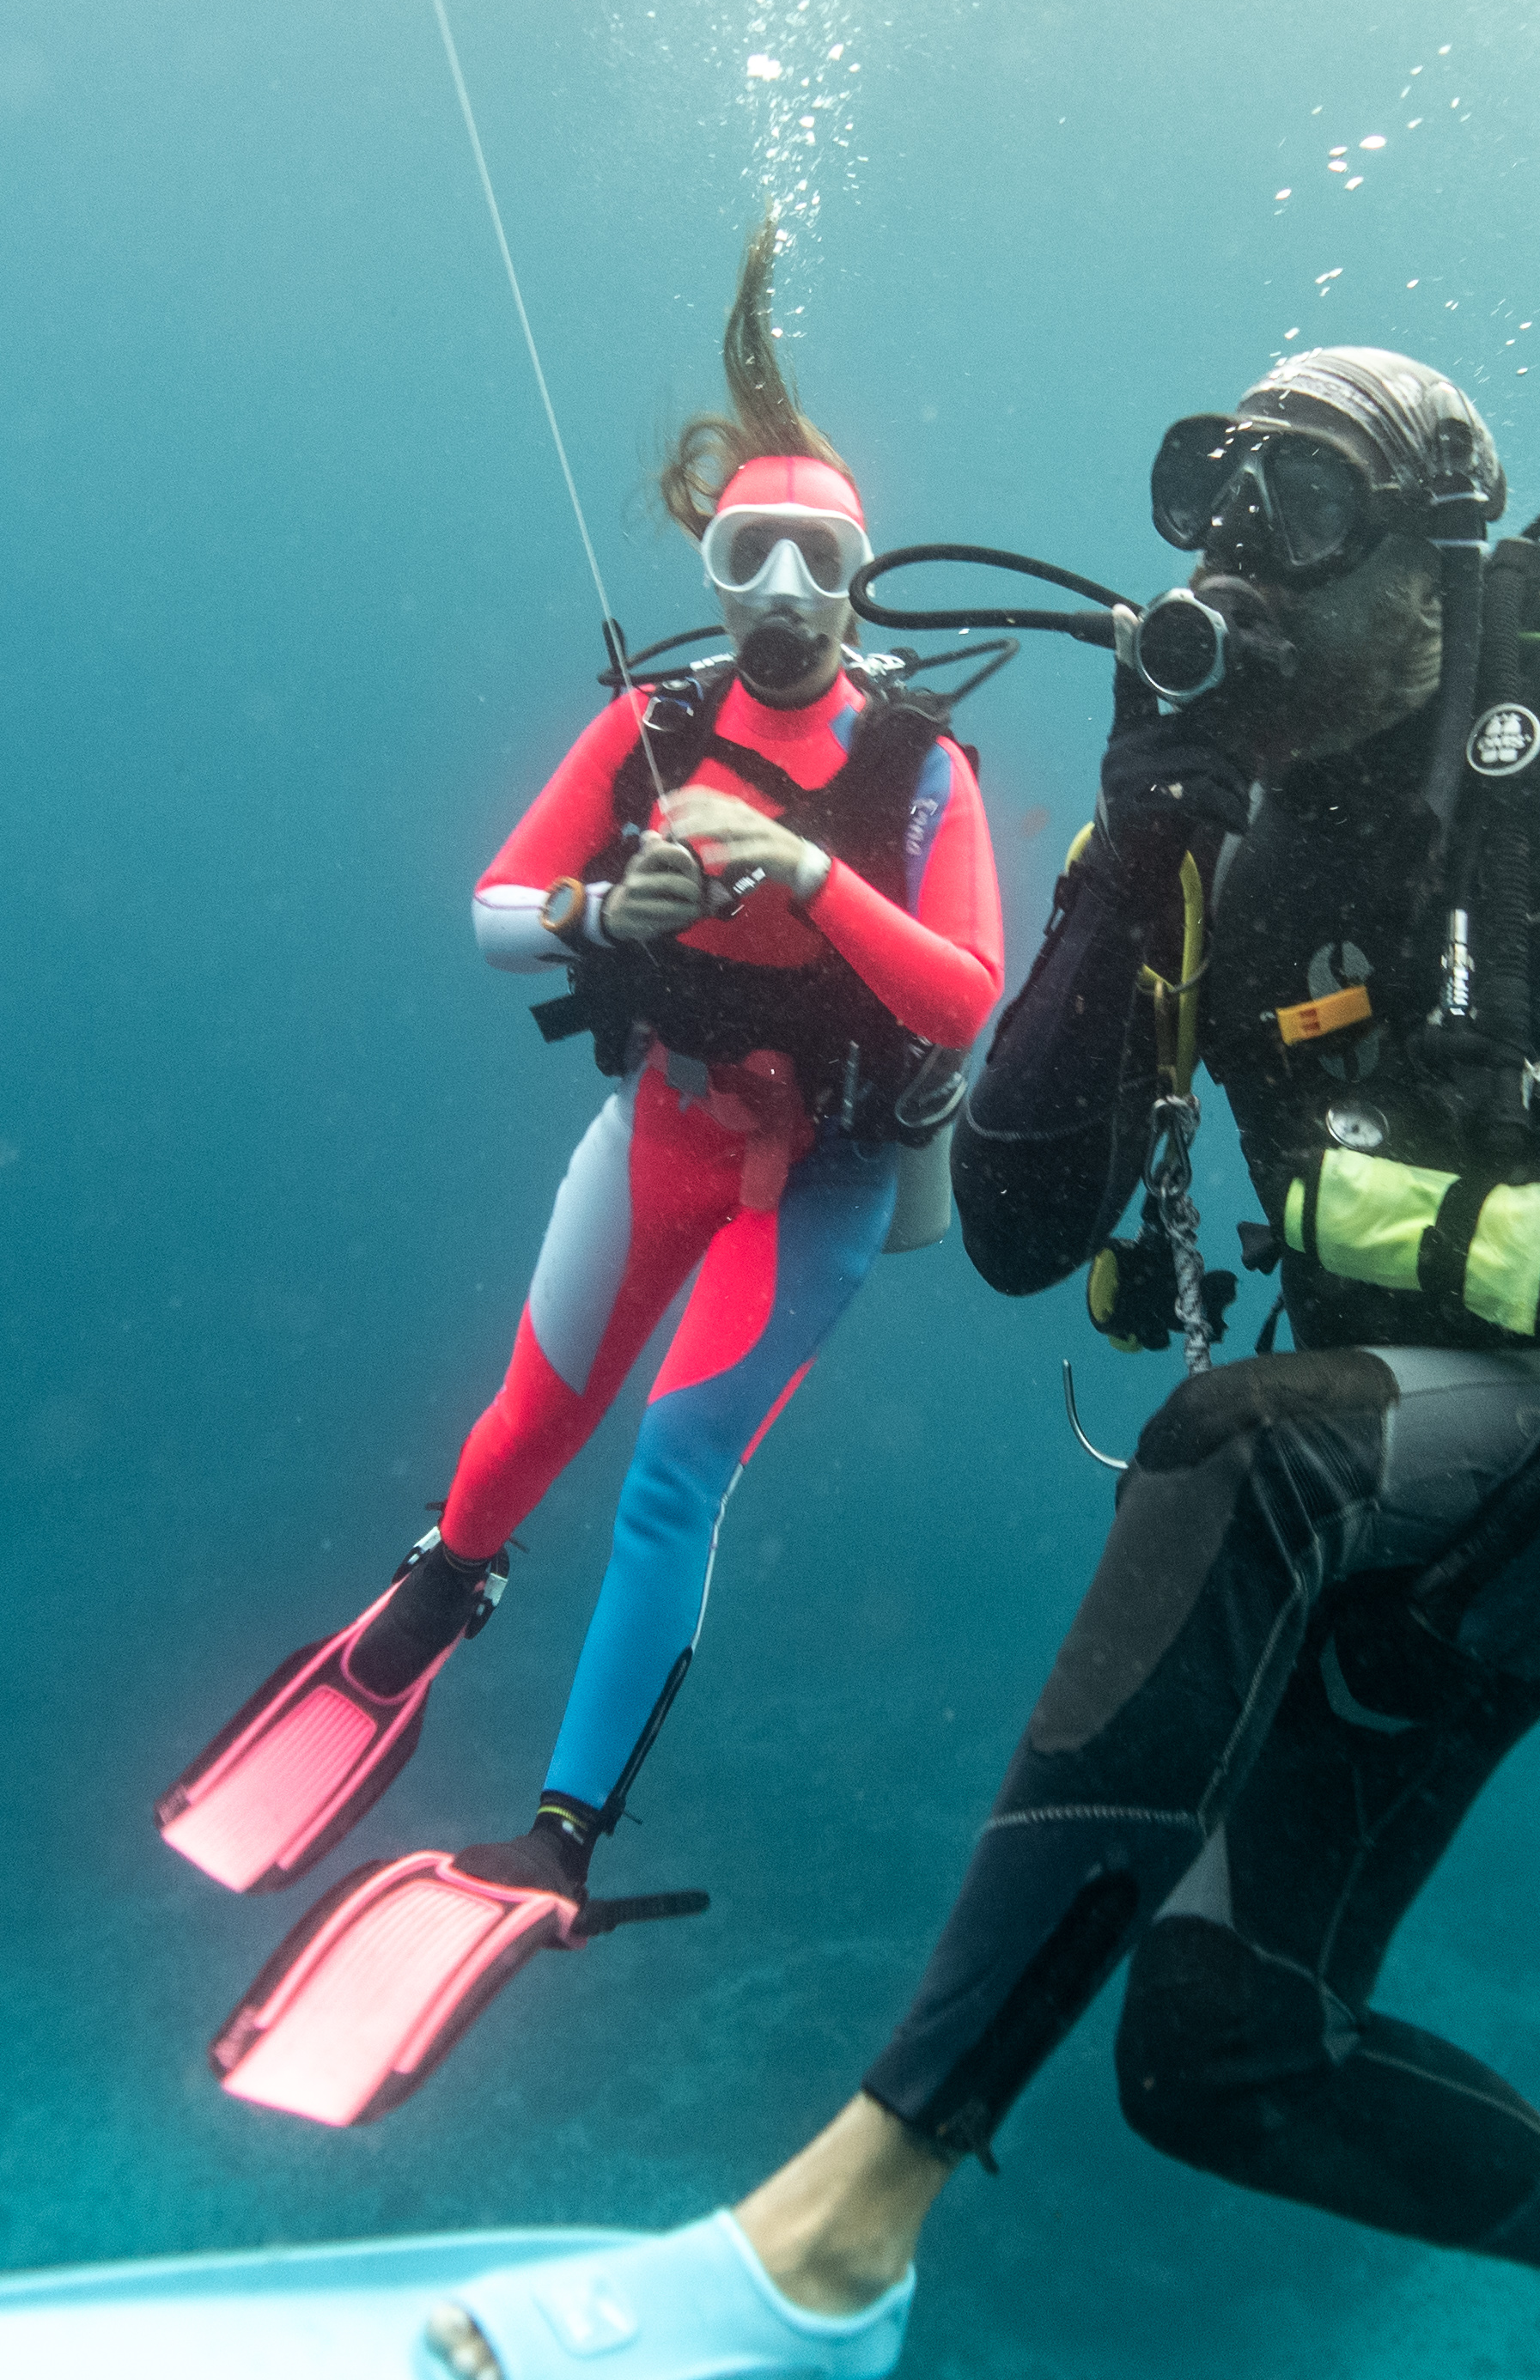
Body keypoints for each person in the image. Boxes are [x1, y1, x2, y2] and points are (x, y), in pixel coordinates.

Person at [407, 348, 1540, 2376]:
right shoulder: (1211, 836)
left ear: (1430, 565)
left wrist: (1499, 1589)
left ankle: (832, 2239)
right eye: (1213, 511)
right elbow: (1025, 1227)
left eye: (1297, 523)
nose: (1237, 576)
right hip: (1397, 1475)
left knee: (1230, 1442)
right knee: (1225, 2058)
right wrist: (1138, 861)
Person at [153, 226, 1004, 2119]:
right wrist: (594, 901)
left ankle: (558, 1831)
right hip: (661, 1129)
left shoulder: (920, 772)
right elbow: (486, 918)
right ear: (709, 566)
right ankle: (435, 1596)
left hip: (818, 1180)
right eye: (745, 560)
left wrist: (807, 875)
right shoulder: (652, 724)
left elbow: (967, 989)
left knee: (673, 1469)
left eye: (820, 564)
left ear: (862, 582)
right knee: (531, 1413)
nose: (781, 596)